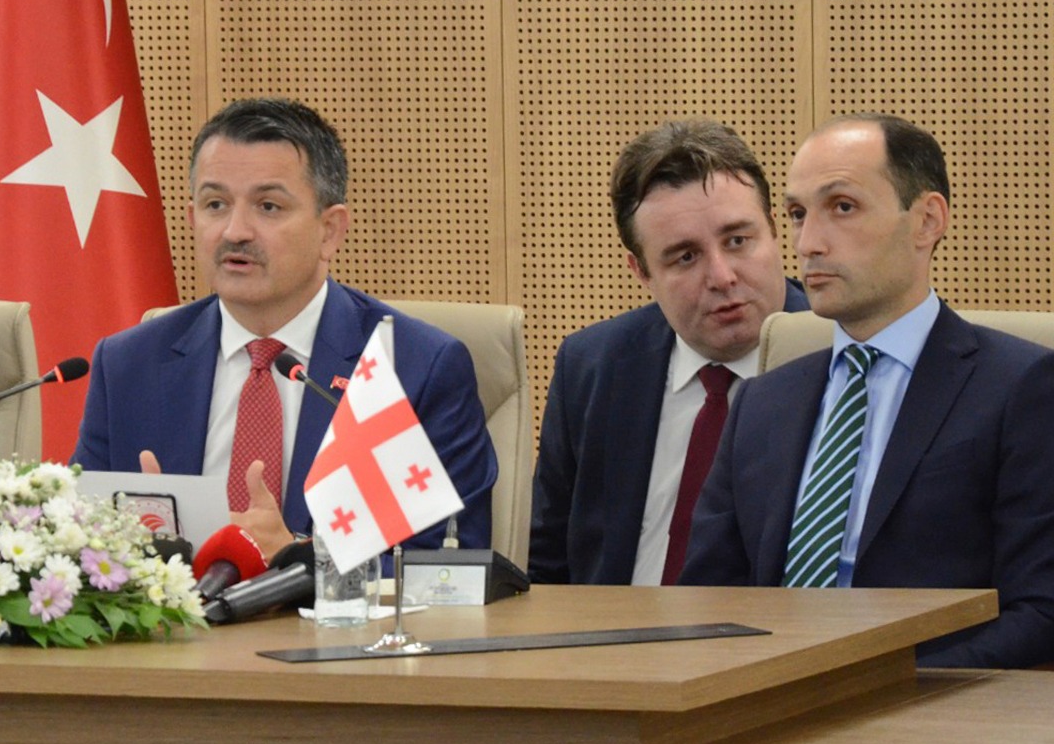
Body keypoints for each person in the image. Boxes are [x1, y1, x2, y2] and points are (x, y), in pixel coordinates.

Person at [682, 114, 1054, 668]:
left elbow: (1041, 612)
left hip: (927, 704)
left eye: (842, 207)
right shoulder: (761, 403)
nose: (808, 243)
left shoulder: (1022, 387)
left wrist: (873, 687)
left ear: (927, 221)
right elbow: (709, 600)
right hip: (765, 701)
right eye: (798, 215)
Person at [72, 98, 498, 558]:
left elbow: (448, 569)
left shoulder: (412, 369)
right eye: (215, 204)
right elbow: (79, 543)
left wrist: (297, 555)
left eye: (268, 206)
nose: (235, 231)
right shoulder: (129, 365)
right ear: (192, 219)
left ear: (330, 230)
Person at [529, 120, 808, 585]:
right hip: (617, 630)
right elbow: (545, 569)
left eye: (738, 241)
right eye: (686, 257)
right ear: (641, 271)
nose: (722, 276)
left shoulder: (841, 355)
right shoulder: (592, 366)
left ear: (774, 232)